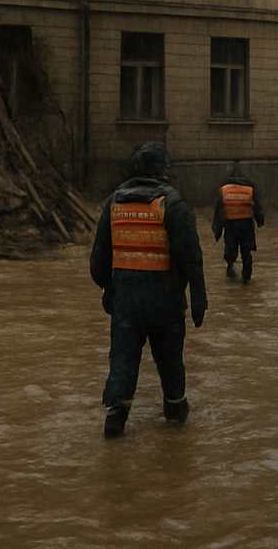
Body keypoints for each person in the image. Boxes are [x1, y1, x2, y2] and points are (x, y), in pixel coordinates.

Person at [89, 142, 207, 438]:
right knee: (169, 359)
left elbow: (98, 262)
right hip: (166, 302)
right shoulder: (173, 204)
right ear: (163, 169)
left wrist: (108, 289)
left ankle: (116, 413)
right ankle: (175, 409)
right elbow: (191, 258)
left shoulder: (113, 204)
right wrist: (199, 299)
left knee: (123, 358)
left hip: (126, 302)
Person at [212, 161, 265, 282]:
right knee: (246, 250)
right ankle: (246, 277)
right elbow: (257, 206)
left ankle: (230, 267)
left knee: (230, 247)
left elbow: (218, 212)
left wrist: (217, 230)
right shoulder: (250, 189)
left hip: (230, 225)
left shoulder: (223, 190)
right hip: (247, 224)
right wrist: (260, 220)